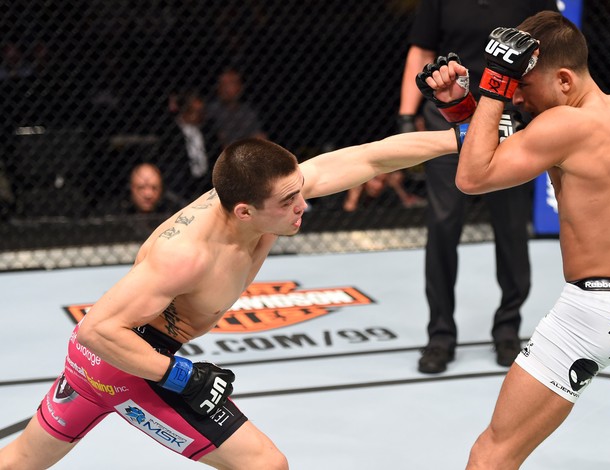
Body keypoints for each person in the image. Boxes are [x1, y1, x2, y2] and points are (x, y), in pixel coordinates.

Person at [0, 131, 460, 469]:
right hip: (126, 361)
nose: (303, 205)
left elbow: (370, 158)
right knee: (265, 465)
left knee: (20, 460)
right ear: (245, 212)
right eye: (289, 201)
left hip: (106, 359)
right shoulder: (186, 255)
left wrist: (456, 137)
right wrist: (183, 377)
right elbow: (96, 330)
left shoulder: (264, 197)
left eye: (299, 192)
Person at [419, 11, 610, 468]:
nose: (518, 96)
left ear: (564, 80)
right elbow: (498, 147)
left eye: (524, 84)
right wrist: (462, 110)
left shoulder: (563, 125)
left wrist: (493, 85)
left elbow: (471, 176)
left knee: (491, 453)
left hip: (594, 310)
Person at [399, 0, 558, 372]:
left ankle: (508, 329)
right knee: (442, 225)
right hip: (450, 114)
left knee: (512, 226)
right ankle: (440, 334)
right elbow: (421, 49)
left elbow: (546, 53)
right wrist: (407, 114)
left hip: (507, 115)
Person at [157, 91, 214, 201]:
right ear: (185, 110)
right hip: (180, 180)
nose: (198, 115)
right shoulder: (171, 131)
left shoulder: (206, 130)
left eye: (201, 112)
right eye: (194, 111)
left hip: (204, 179)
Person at [206, 68, 267, 148]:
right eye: (223, 84)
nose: (227, 88)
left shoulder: (247, 111)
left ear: (240, 87)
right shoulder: (211, 111)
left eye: (232, 83)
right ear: (218, 87)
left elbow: (260, 137)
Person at [342, 171, 425, 212]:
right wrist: (353, 197)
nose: (379, 186)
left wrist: (397, 187)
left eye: (383, 181)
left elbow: (407, 203)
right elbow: (347, 214)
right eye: (375, 180)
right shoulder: (349, 190)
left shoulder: (387, 195)